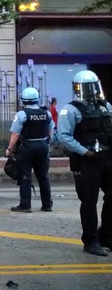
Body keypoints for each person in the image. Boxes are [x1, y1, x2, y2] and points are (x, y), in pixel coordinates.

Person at [56, 70, 112, 257]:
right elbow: (63, 136)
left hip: (106, 158)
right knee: (89, 200)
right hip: (86, 161)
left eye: (93, 86)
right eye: (86, 87)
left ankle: (107, 236)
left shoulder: (105, 106)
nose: (91, 91)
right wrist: (85, 152)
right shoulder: (70, 110)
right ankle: (91, 241)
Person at [6, 87, 53, 213]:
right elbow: (50, 130)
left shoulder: (22, 114)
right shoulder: (46, 113)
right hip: (43, 147)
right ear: (37, 99)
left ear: (23, 101)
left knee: (25, 176)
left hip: (27, 148)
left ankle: (25, 205)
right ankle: (47, 204)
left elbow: (15, 134)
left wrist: (9, 149)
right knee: (43, 176)